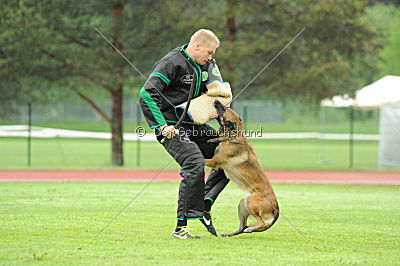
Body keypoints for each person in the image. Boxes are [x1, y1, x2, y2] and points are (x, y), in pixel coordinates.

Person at [139, 29, 230, 239]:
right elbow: (146, 93)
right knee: (194, 162)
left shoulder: (206, 64)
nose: (211, 57)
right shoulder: (172, 62)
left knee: (229, 155)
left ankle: (205, 205)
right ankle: (181, 228)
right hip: (170, 127)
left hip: (192, 124)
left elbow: (217, 91)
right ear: (196, 46)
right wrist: (162, 127)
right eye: (209, 52)